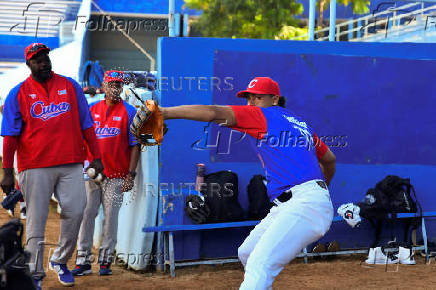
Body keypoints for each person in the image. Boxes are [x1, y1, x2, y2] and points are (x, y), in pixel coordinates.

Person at [159, 77, 336, 289]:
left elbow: (214, 112)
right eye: (248, 98)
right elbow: (329, 159)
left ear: (274, 99)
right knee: (247, 253)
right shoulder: (299, 123)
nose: (251, 104)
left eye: (257, 98)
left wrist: (165, 113)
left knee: (260, 264)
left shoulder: (263, 115)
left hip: (304, 203)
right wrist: (320, 191)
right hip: (295, 203)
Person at [0, 43, 103, 289]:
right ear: (29, 64)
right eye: (37, 60)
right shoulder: (18, 93)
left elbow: (87, 124)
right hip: (34, 166)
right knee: (37, 220)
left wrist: (96, 156)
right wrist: (6, 171)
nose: (43, 62)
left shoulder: (70, 86)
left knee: (76, 211)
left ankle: (60, 260)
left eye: (45, 57)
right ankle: (34, 274)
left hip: (70, 162)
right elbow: (10, 136)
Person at [72, 70, 141, 276]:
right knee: (86, 216)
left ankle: (105, 262)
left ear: (122, 88)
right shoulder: (92, 109)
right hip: (92, 174)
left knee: (110, 219)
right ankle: (82, 261)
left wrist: (131, 174)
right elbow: (82, 140)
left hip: (117, 175)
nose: (115, 88)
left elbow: (135, 145)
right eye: (111, 84)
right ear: (104, 86)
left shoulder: (129, 112)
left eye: (118, 85)